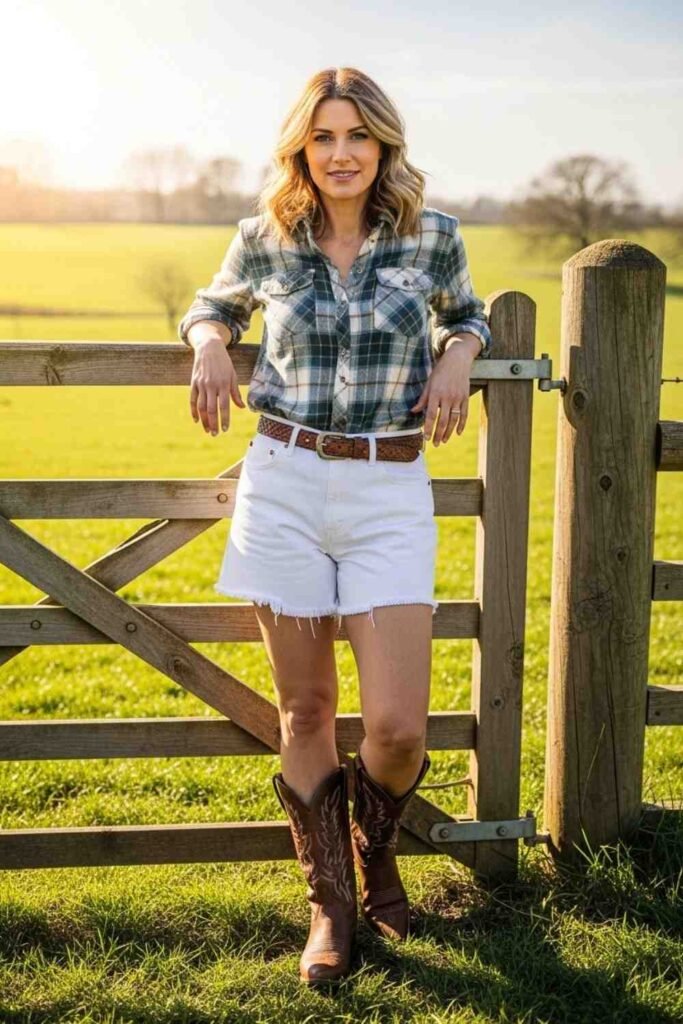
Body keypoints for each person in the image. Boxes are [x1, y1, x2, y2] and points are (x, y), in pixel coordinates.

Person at [177, 66, 493, 987]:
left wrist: (457, 356)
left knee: (396, 728)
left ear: (383, 144)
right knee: (306, 708)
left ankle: (374, 849)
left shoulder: (431, 237)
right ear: (300, 148)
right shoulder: (265, 236)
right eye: (323, 137)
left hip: (389, 487)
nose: (341, 154)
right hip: (283, 480)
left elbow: (466, 313)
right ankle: (330, 905)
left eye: (357, 136)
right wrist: (206, 344)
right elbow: (212, 306)